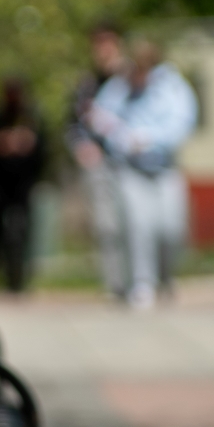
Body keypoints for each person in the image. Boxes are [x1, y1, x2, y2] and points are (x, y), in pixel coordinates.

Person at [87, 41, 197, 309]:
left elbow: (183, 122)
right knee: (139, 227)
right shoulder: (119, 86)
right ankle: (142, 283)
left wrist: (149, 140)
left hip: (164, 167)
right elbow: (99, 117)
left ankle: (166, 277)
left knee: (171, 227)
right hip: (131, 169)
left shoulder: (171, 86)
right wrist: (123, 139)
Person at [67, 23, 130, 299]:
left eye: (109, 42)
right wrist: (82, 147)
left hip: (132, 162)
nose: (103, 50)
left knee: (138, 222)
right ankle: (115, 285)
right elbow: (72, 123)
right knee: (107, 226)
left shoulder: (132, 80)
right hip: (101, 163)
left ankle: (144, 281)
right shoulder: (87, 84)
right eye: (98, 43)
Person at [0, 78, 47, 293]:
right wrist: (0, 143)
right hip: (1, 182)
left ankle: (23, 271)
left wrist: (27, 143)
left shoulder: (31, 118)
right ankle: (0, 265)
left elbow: (43, 147)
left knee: (25, 225)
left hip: (24, 182)